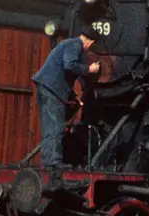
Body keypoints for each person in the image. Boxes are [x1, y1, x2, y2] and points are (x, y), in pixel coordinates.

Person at [31, 28, 100, 169]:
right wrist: (89, 69)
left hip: (47, 87)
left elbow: (63, 72)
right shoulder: (75, 44)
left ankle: (48, 161)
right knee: (56, 125)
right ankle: (53, 163)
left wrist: (72, 96)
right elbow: (69, 66)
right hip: (51, 89)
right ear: (90, 42)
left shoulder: (68, 43)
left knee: (50, 125)